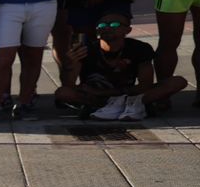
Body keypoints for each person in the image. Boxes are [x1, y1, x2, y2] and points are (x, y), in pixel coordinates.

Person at [57, 17, 186, 121]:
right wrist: (69, 64)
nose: (107, 28)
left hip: (127, 96)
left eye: (114, 24)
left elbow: (145, 85)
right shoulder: (86, 50)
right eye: (102, 26)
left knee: (177, 82)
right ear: (97, 31)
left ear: (127, 30)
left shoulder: (139, 48)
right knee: (62, 92)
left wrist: (103, 93)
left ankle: (119, 106)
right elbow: (69, 84)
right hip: (96, 97)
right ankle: (112, 107)